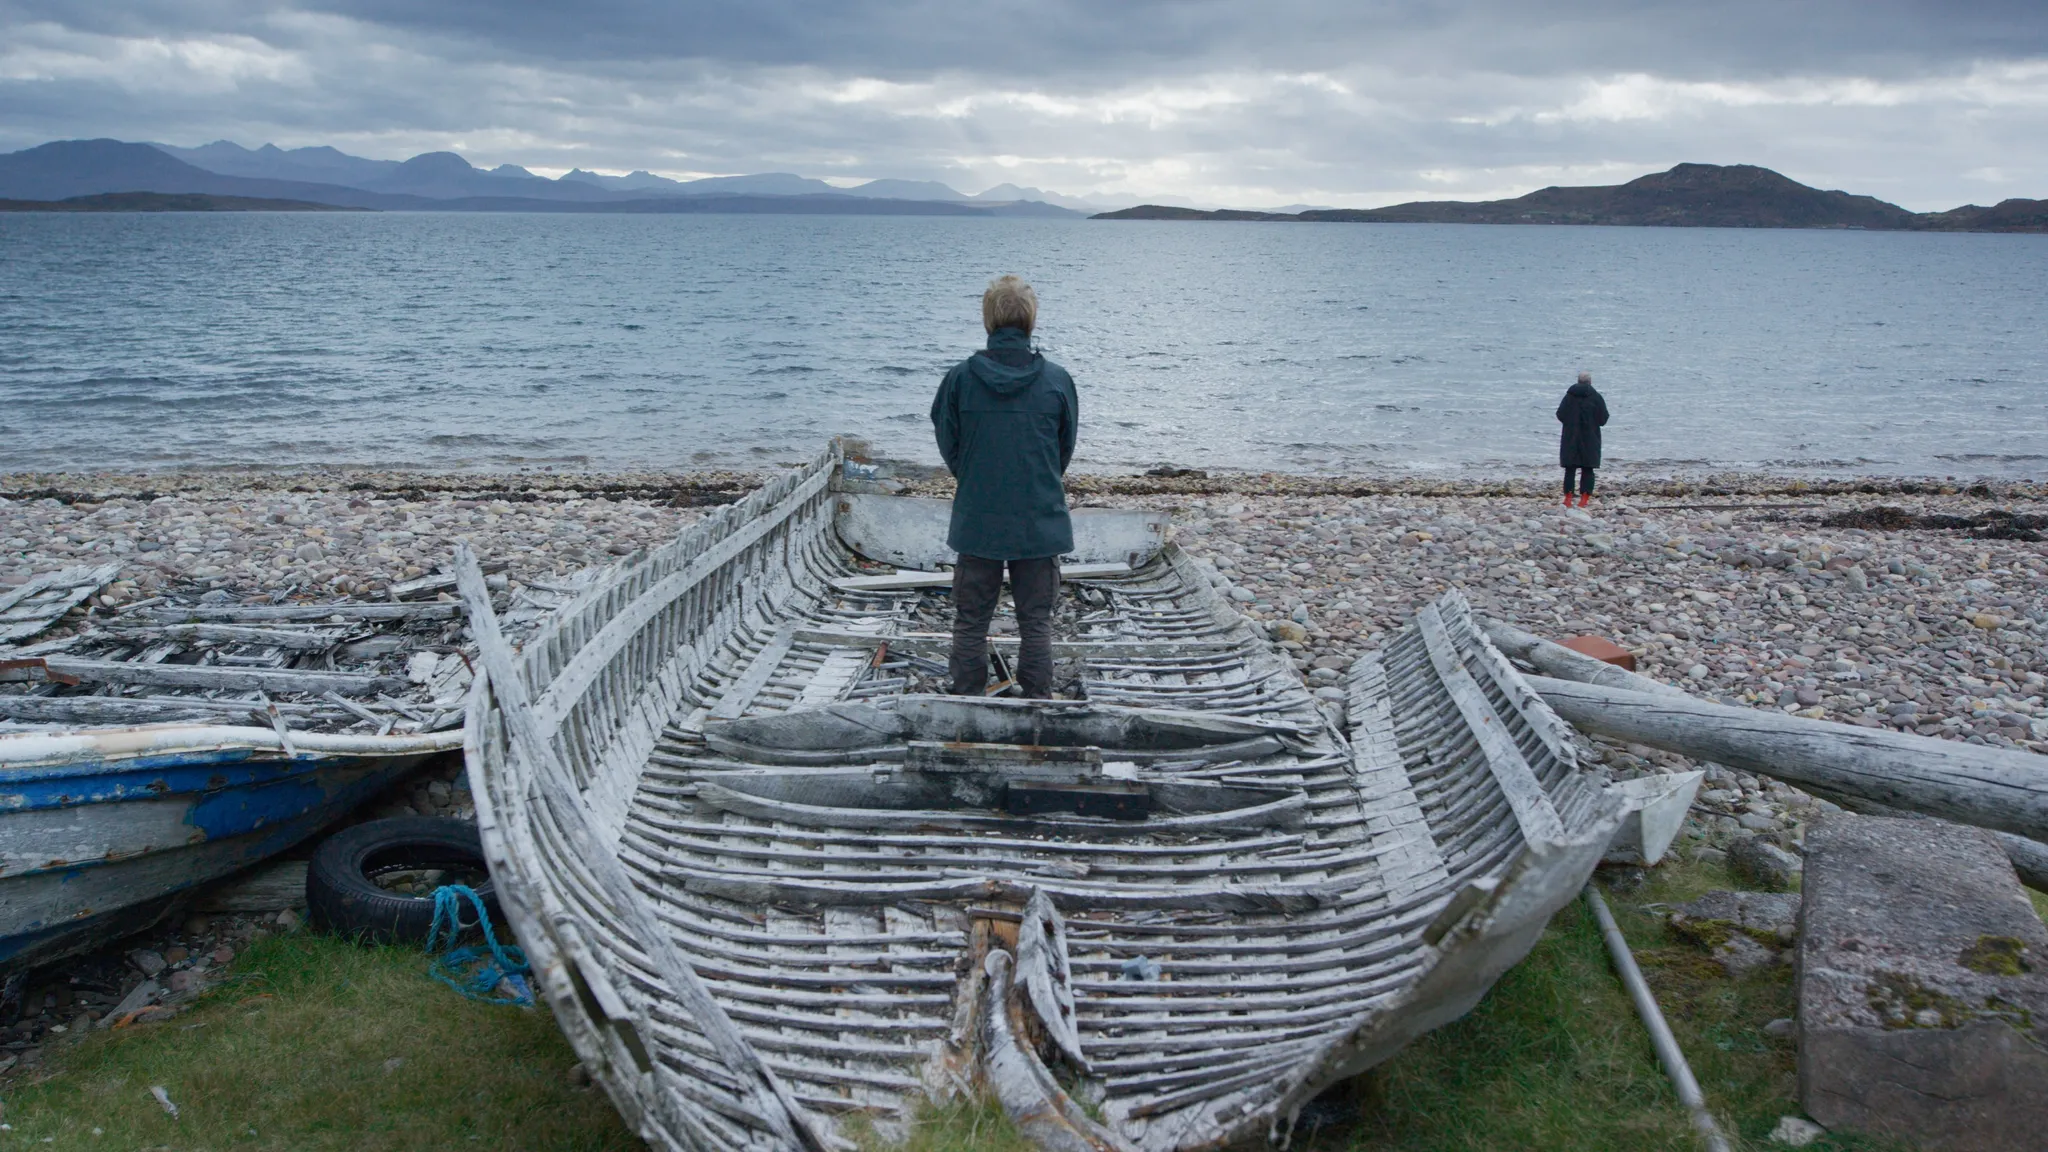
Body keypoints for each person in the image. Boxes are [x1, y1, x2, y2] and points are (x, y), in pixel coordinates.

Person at [930, 275, 1079, 698]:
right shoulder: (1057, 380)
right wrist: (1037, 480)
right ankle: (1037, 701)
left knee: (971, 618)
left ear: (987, 320)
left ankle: (966, 698)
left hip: (979, 517)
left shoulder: (959, 379)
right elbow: (1062, 450)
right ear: (1031, 320)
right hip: (1040, 514)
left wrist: (978, 478)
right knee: (1036, 619)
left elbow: (949, 442)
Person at [1556, 371, 1609, 507]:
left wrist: (1570, 423)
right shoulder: (1596, 397)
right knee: (1588, 468)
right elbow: (1603, 419)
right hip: (1590, 438)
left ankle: (1568, 497)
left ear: (1578, 381)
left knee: (1570, 468)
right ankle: (1584, 498)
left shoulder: (1569, 396)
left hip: (1571, 437)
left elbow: (1560, 414)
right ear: (1590, 382)